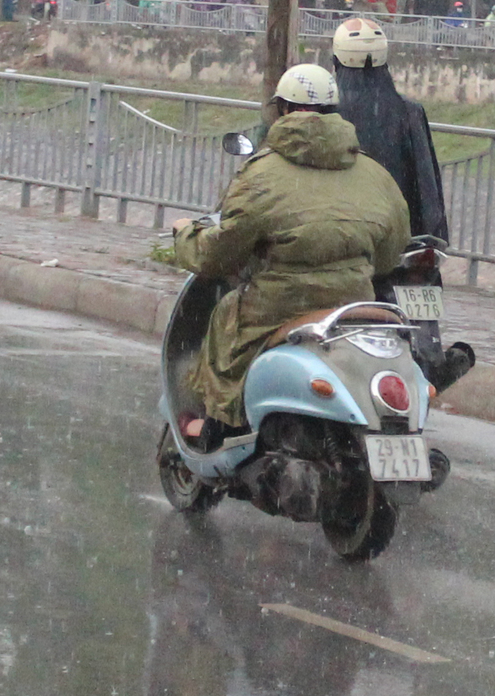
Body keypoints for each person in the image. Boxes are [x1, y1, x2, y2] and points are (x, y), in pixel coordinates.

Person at [168, 64, 408, 437]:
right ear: (334, 111)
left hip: (278, 308)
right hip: (351, 306)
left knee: (227, 320)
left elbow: (218, 256)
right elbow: (391, 255)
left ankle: (219, 423)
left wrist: (186, 237)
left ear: (282, 110)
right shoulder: (376, 175)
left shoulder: (260, 174)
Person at [331, 17, 448, 242]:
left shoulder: (326, 111)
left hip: (339, 235)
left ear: (336, 61)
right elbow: (426, 187)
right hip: (398, 236)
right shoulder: (408, 112)